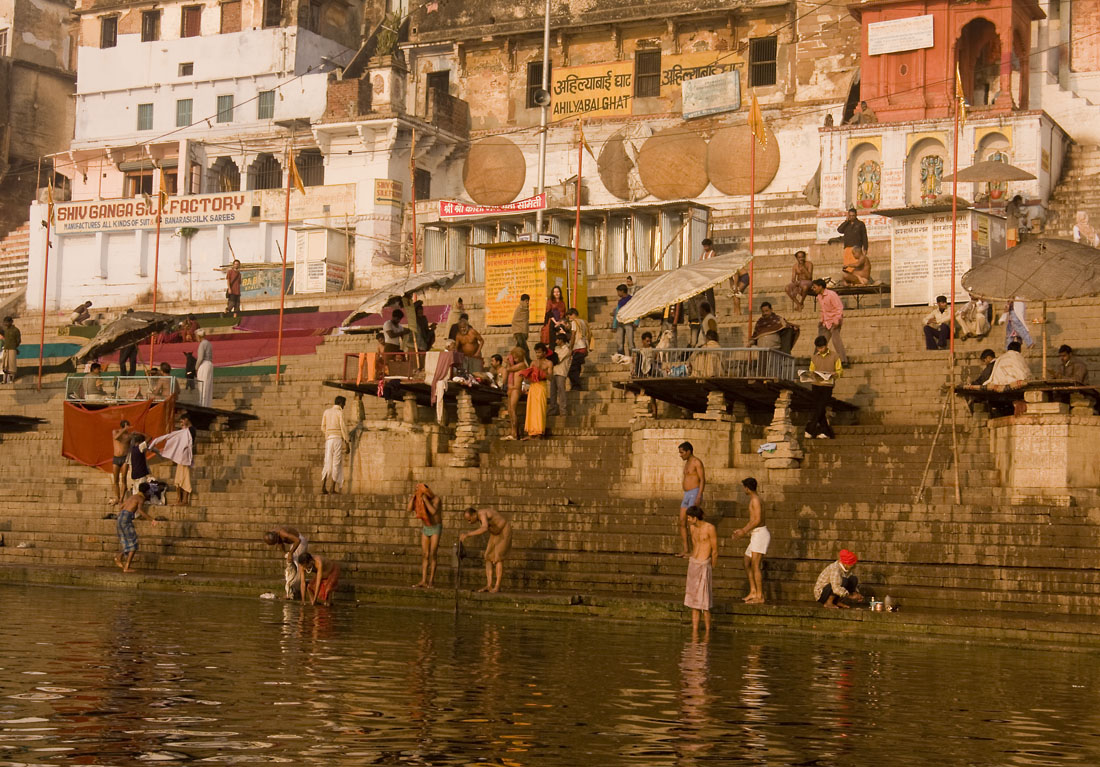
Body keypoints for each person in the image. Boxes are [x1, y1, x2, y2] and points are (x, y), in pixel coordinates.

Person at [731, 477, 769, 604]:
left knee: (755, 565)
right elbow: (753, 520)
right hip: (755, 534)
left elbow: (757, 520)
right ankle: (753, 591)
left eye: (744, 487)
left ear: (747, 488)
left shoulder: (756, 500)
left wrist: (743, 531)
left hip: (760, 534)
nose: (744, 490)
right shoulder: (754, 499)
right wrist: (742, 530)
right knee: (746, 562)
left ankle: (760, 596)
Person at [459, 506, 512, 593]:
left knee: (498, 558)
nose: (469, 522)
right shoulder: (479, 516)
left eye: (469, 520)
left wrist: (468, 534)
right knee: (487, 557)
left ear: (474, 514)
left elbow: (484, 528)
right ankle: (489, 585)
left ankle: (497, 586)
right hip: (495, 533)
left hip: (504, 530)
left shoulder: (482, 514)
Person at [683, 505, 717, 637]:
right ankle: (695, 633)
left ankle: (708, 633)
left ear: (695, 518)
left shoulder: (710, 528)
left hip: (704, 564)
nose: (687, 520)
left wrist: (711, 567)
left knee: (704, 603)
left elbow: (715, 550)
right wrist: (690, 556)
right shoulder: (692, 528)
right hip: (693, 564)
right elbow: (694, 544)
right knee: (693, 603)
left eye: (689, 518)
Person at [149, 414, 194, 505]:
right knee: (178, 480)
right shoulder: (184, 431)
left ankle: (184, 500)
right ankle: (179, 499)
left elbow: (185, 441)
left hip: (185, 459)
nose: (181, 423)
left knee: (185, 479)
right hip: (180, 459)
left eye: (182, 421)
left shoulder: (191, 430)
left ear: (187, 420)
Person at [115, 483, 158, 573]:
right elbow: (140, 511)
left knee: (129, 542)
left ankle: (119, 557)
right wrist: (151, 520)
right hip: (126, 519)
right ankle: (126, 566)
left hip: (120, 518)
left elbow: (121, 507)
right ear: (146, 491)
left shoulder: (132, 496)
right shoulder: (140, 498)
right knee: (133, 545)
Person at [805, 335, 842, 439]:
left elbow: (840, 371)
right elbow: (811, 370)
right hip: (816, 385)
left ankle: (810, 428)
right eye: (818, 348)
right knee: (818, 408)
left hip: (827, 385)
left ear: (826, 345)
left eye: (822, 347)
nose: (820, 350)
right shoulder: (814, 357)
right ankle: (826, 432)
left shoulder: (835, 356)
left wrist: (835, 374)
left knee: (821, 407)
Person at [408, 483, 443, 588]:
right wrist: (414, 497)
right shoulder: (417, 498)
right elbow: (409, 509)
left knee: (433, 554)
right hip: (426, 528)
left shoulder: (436, 499)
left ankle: (431, 581)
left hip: (436, 528)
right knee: (425, 554)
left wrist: (425, 499)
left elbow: (432, 511)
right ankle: (423, 580)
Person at [677, 442, 706, 558]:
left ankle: (695, 550)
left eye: (682, 452)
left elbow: (703, 479)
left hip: (694, 493)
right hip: (686, 494)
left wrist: (699, 495)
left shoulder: (696, 462)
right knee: (682, 521)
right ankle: (686, 549)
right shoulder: (687, 463)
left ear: (688, 451)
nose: (680, 455)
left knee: (692, 523)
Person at [263, 526, 309, 599]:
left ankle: (294, 591)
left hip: (300, 542)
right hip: (294, 543)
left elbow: (298, 540)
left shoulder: (282, 533)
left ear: (276, 537)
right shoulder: (274, 534)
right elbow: (280, 543)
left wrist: (291, 553)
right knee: (291, 565)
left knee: (296, 566)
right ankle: (292, 590)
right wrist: (285, 553)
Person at [810, 279, 847, 366]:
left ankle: (843, 360)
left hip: (834, 321)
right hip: (825, 321)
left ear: (820, 287)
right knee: (820, 341)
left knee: (836, 341)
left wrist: (836, 321)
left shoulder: (831, 294)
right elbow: (823, 310)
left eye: (815, 287)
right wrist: (821, 320)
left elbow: (839, 308)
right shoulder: (819, 296)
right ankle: (815, 361)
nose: (813, 289)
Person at [521, 343, 552, 439]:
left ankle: (539, 432)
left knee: (540, 409)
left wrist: (542, 373)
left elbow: (551, 377)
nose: (537, 354)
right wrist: (528, 375)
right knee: (532, 409)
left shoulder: (548, 363)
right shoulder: (533, 363)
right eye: (536, 352)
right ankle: (531, 432)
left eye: (539, 352)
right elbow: (528, 378)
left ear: (544, 352)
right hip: (533, 386)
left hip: (542, 386)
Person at [320, 395, 350, 495]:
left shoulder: (326, 412)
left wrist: (328, 434)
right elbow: (343, 428)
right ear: (341, 403)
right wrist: (347, 442)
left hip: (329, 440)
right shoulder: (339, 412)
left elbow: (323, 427)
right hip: (337, 439)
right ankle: (332, 488)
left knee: (327, 462)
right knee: (336, 463)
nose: (344, 406)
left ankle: (323, 486)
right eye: (344, 404)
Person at [503, 344, 530, 441]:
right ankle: (513, 432)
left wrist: (508, 362)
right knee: (510, 411)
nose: (514, 359)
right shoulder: (514, 364)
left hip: (516, 390)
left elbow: (509, 369)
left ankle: (515, 434)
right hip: (510, 389)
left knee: (513, 410)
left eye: (515, 357)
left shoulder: (522, 365)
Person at [837, 207, 869, 283]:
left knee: (855, 266)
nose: (851, 217)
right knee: (847, 266)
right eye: (850, 215)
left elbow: (864, 236)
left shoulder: (860, 224)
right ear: (848, 215)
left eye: (853, 216)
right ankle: (848, 279)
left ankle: (855, 279)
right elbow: (839, 230)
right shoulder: (846, 224)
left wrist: (865, 247)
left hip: (856, 248)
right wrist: (846, 221)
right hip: (847, 248)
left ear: (856, 215)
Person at [566, 308, 590, 391]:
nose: (569, 318)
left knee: (571, 370)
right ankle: (575, 386)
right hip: (584, 347)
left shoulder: (574, 322)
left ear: (572, 314)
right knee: (577, 368)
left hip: (578, 347)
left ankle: (577, 386)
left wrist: (570, 347)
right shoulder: (583, 322)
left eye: (569, 316)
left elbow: (573, 335)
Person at [548, 333, 571, 417]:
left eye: (557, 339)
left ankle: (563, 410)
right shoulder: (556, 349)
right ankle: (553, 409)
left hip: (561, 372)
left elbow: (557, 360)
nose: (556, 341)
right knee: (552, 392)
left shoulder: (566, 350)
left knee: (561, 391)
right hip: (554, 371)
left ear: (561, 340)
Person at [611, 284, 636, 361]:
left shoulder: (631, 299)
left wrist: (636, 322)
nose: (618, 294)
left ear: (622, 291)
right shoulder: (620, 302)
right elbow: (617, 314)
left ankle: (632, 359)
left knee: (630, 343)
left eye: (618, 292)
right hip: (620, 324)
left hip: (629, 322)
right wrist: (614, 325)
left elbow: (636, 310)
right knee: (620, 343)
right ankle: (622, 359)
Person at [111, 420, 133, 503]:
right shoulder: (115, 432)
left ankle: (121, 499)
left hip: (125, 458)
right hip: (116, 458)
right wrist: (124, 429)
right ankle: (117, 497)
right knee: (116, 479)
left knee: (124, 478)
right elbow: (116, 437)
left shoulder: (129, 436)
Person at [195, 329, 214, 407]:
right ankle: (207, 404)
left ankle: (202, 404)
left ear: (199, 336)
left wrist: (196, 367)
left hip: (204, 364)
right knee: (208, 385)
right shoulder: (208, 343)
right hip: (209, 364)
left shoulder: (202, 344)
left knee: (202, 385)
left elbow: (200, 358)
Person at [118, 308, 138, 377]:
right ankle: (128, 375)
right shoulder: (127, 322)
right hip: (129, 343)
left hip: (129, 343)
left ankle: (127, 375)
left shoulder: (133, 322)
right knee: (129, 361)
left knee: (126, 361)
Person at [1, 316, 20, 384]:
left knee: (11, 366)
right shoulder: (6, 330)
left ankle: (11, 380)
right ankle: (5, 380)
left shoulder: (15, 330)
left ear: (11, 322)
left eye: (7, 322)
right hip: (6, 349)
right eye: (5, 322)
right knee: (5, 365)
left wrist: (14, 347)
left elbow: (18, 340)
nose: (6, 324)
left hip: (12, 349)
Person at [511, 294, 531, 358]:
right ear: (523, 301)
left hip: (522, 332)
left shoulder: (525, 309)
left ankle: (510, 360)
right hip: (519, 332)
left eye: (528, 301)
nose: (527, 302)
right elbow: (516, 320)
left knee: (517, 350)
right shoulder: (521, 308)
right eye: (526, 301)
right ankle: (530, 363)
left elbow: (525, 321)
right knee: (525, 350)